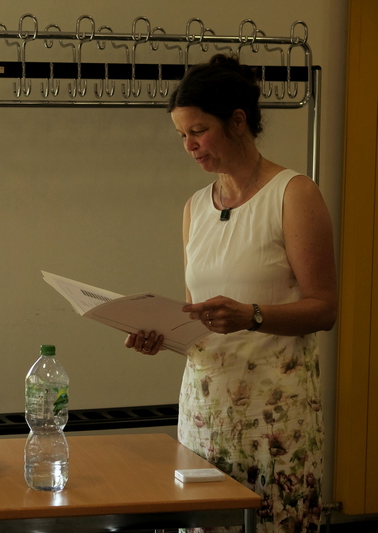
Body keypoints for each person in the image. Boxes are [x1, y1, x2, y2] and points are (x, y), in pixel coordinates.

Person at [124, 54, 337, 533]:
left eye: (198, 131)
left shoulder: (293, 193)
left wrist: (252, 316)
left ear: (238, 121)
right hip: (204, 410)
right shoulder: (195, 207)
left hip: (274, 414)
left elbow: (325, 309)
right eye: (182, 135)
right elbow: (196, 315)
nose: (189, 146)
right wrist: (162, 334)